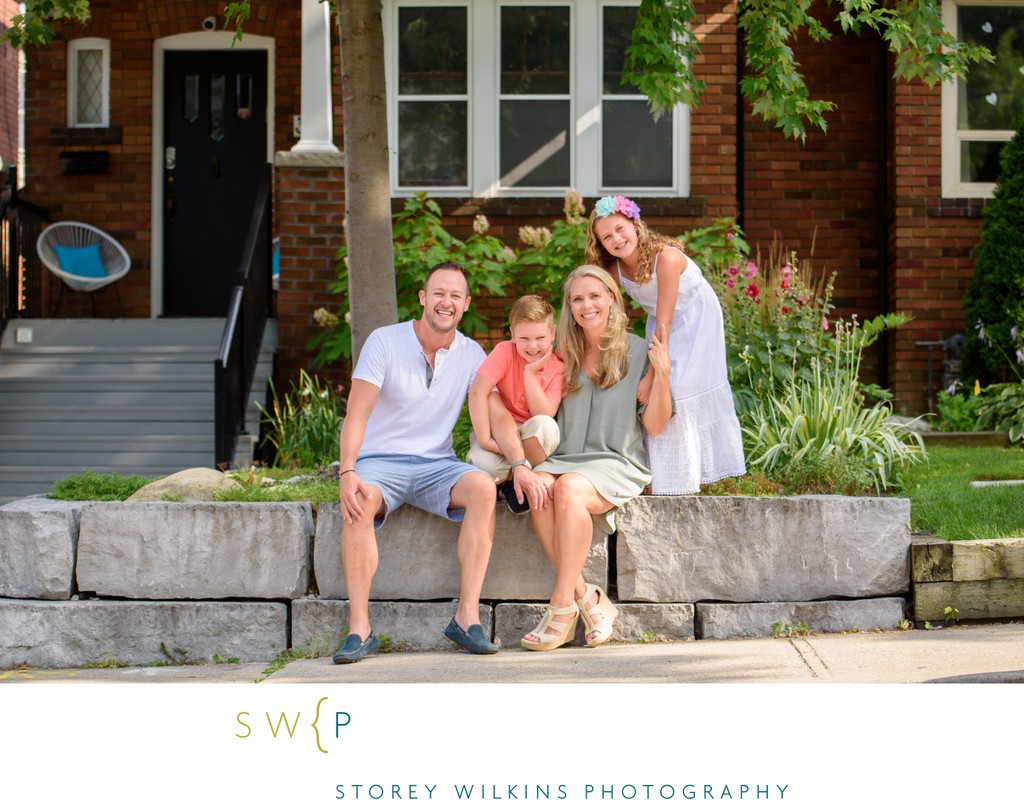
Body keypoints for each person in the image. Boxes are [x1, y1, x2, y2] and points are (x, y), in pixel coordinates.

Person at [333, 262, 500, 663]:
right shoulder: (384, 342)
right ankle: (360, 630)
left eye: (455, 296)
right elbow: (356, 414)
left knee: (482, 488)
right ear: (423, 297)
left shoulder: (472, 354)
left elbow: (495, 414)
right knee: (359, 501)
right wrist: (348, 470)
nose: (446, 302)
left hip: (436, 465)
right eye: (438, 293)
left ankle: (467, 618)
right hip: (379, 462)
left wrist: (524, 464)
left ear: (466, 304)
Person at [519, 265, 672, 651]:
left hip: (615, 460)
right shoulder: (559, 353)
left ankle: (561, 607)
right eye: (577, 299)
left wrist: (663, 375)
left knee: (568, 488)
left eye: (594, 296)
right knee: (540, 487)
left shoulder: (638, 351)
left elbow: (655, 425)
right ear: (569, 307)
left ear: (612, 299)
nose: (586, 305)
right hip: (565, 457)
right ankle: (589, 598)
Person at [586, 195, 746, 495]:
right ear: (600, 244)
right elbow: (603, 309)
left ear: (635, 225)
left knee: (678, 387)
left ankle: (694, 473)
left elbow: (666, 321)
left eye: (620, 229)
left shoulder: (666, 258)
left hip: (693, 318)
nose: (616, 239)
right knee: (656, 391)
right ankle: (658, 474)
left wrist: (652, 375)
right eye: (607, 237)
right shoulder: (614, 270)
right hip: (660, 323)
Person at [467, 294, 563, 514]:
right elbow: (477, 393)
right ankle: (518, 477)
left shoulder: (557, 367)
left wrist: (529, 373)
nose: (532, 346)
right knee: (481, 465)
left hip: (529, 435)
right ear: (512, 335)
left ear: (553, 333)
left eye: (540, 337)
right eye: (524, 338)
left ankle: (510, 480)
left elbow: (543, 413)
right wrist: (484, 440)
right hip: (498, 434)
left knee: (547, 428)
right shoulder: (504, 351)